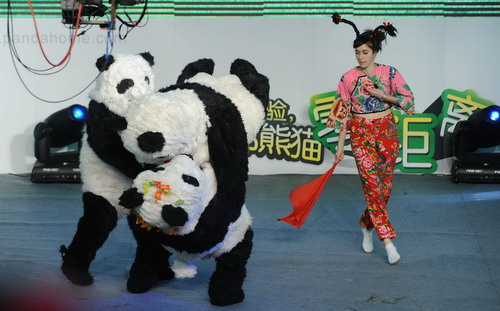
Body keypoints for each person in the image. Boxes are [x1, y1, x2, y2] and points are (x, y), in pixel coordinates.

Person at [326, 13, 415, 264]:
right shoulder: (348, 78)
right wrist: (341, 146)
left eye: (365, 52)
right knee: (372, 187)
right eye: (357, 52)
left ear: (375, 52)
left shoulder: (390, 73)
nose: (360, 56)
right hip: (361, 133)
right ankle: (387, 242)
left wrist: (383, 94)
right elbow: (342, 113)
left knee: (384, 189)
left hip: (387, 131)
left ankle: (367, 226)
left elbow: (409, 103)